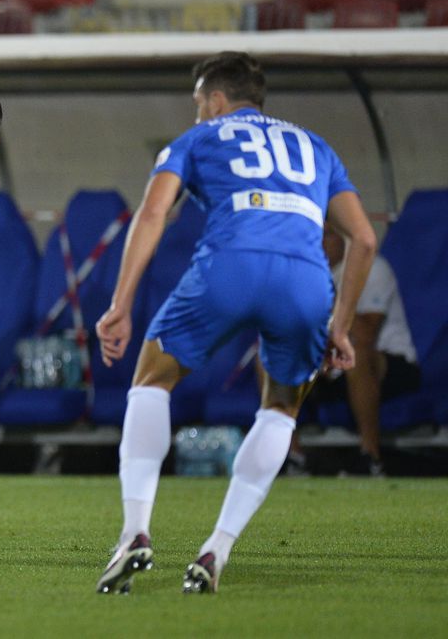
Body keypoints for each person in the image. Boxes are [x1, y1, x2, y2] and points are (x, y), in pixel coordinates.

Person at [93, 52, 376, 595]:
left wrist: (122, 302)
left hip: (230, 265)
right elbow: (363, 239)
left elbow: (153, 213)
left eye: (200, 104)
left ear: (216, 100)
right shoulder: (317, 147)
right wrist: (340, 326)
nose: (199, 114)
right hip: (305, 279)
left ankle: (134, 532)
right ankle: (216, 549)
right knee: (280, 408)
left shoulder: (199, 139)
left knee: (151, 381)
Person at [321, 231, 421, 475]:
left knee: (358, 356)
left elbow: (365, 335)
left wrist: (332, 299)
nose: (318, 244)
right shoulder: (313, 276)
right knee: (271, 358)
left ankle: (370, 458)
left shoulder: (373, 269)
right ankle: (291, 459)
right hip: (332, 367)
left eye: (325, 236)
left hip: (391, 364)